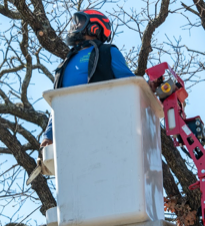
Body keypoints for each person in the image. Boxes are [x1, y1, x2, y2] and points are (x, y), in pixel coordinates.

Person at [40, 9, 138, 148]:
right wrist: (48, 136)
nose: (74, 26)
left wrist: (150, 87)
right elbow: (58, 103)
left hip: (104, 129)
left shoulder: (108, 52)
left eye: (79, 23)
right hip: (72, 137)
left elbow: (132, 86)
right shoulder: (65, 63)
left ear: (94, 27)